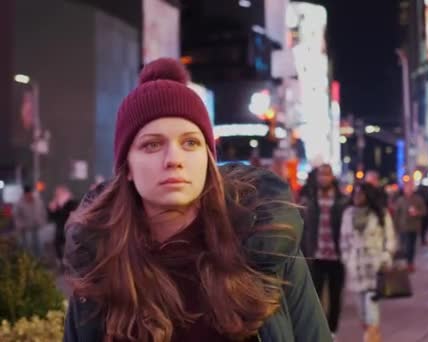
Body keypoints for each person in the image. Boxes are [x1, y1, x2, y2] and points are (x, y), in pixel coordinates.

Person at [63, 58, 331, 342]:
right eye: (152, 145)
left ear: (208, 157)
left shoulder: (266, 244)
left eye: (190, 143)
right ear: (126, 166)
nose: (174, 160)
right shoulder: (98, 264)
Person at [340, 182, 397, 342]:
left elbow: (390, 238)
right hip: (355, 270)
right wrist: (347, 259)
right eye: (355, 193)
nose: (357, 196)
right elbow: (344, 241)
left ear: (368, 195)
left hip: (375, 269)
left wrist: (385, 258)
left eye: (361, 193)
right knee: (362, 315)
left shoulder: (380, 214)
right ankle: (373, 337)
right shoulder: (348, 214)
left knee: (372, 313)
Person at [299, 164, 349, 337]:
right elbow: (303, 228)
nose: (324, 178)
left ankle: (332, 332)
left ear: (332, 177)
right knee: (315, 298)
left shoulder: (342, 200)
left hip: (337, 256)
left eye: (327, 175)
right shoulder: (309, 199)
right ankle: (318, 331)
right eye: (321, 175)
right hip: (317, 256)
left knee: (335, 298)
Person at [394, 181, 426, 272]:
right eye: (406, 188)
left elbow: (424, 211)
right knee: (404, 246)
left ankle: (410, 263)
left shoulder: (418, 199)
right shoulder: (400, 200)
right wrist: (395, 226)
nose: (408, 190)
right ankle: (405, 263)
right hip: (402, 227)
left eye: (410, 188)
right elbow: (397, 214)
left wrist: (417, 213)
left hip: (413, 227)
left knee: (411, 246)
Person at [48, 185, 79, 266]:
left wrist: (62, 206)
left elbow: (72, 214)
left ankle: (70, 262)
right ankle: (61, 261)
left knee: (69, 246)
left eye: (59, 193)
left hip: (70, 228)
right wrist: (52, 209)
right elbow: (52, 218)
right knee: (57, 244)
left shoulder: (71, 203)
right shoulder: (57, 204)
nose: (57, 195)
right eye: (56, 194)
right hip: (60, 229)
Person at [13, 184, 47, 257]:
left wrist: (42, 221)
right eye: (27, 194)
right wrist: (20, 225)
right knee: (26, 245)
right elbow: (16, 215)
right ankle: (28, 259)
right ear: (24, 194)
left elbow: (43, 211)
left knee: (38, 244)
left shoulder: (38, 201)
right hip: (25, 228)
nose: (29, 195)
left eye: (30, 193)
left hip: (36, 226)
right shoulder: (19, 203)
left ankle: (39, 259)